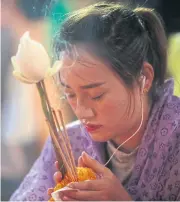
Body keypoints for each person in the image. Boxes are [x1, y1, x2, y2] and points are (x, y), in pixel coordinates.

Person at [10, 2, 180, 201]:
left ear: (144, 77)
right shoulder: (68, 143)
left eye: (96, 95)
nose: (82, 112)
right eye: (70, 95)